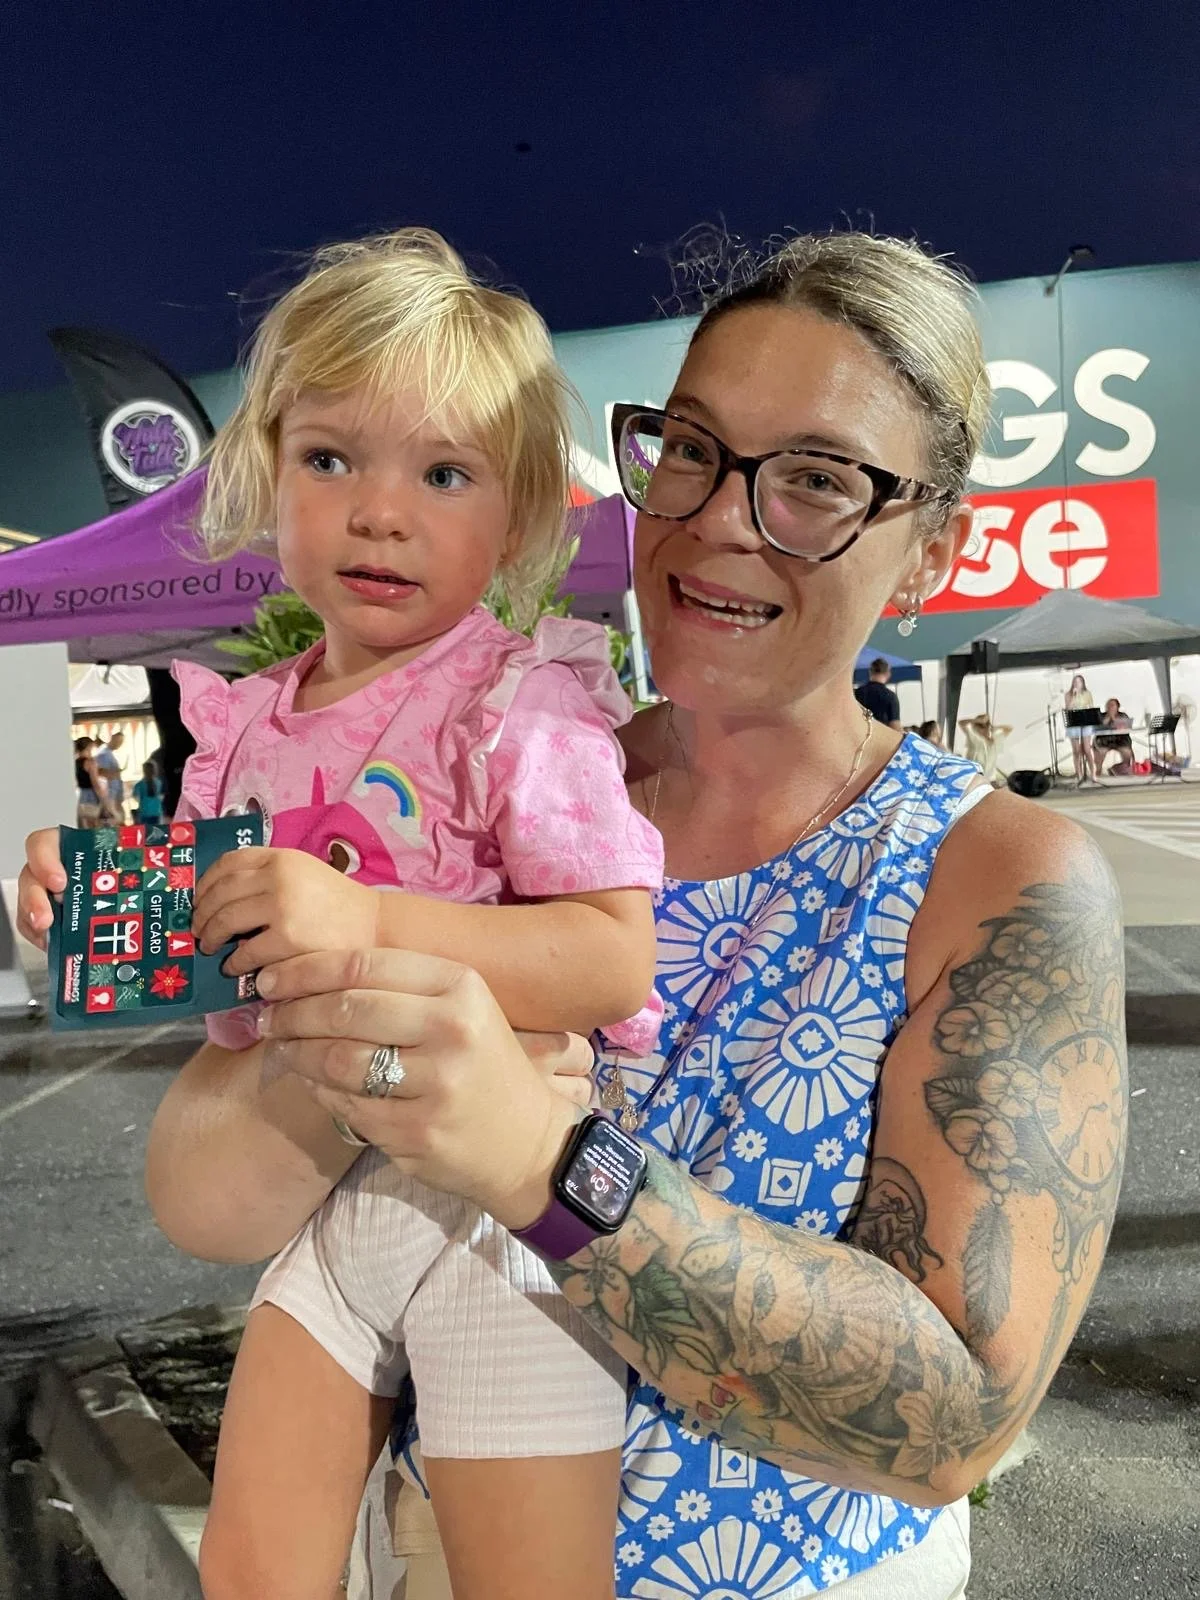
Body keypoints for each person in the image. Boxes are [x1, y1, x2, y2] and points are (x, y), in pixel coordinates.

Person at [22, 231, 1128, 1600]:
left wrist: (544, 1160)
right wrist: (159, 931)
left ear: (930, 554)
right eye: (693, 449)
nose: (724, 515)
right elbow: (209, 1191)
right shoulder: (472, 783)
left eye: (818, 482)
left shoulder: (1000, 875)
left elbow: (959, 1415)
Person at [23, 229, 664, 1600]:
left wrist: (363, 915)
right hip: (323, 1206)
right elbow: (217, 981)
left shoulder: (518, 703)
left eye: (444, 473)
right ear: (262, 473)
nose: (382, 512)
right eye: (331, 460)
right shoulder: (246, 726)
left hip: (507, 1220)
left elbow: (611, 955)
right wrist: (87, 918)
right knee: (254, 1570)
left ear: (522, 513)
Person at [958, 712, 1012, 785]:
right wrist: (976, 721)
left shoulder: (996, 738)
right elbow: (961, 723)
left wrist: (994, 728)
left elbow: (1009, 728)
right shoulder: (973, 737)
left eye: (986, 726)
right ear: (975, 728)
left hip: (989, 780)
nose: (984, 729)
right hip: (973, 778)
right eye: (981, 727)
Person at [1064, 673, 1097, 784]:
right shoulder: (1068, 694)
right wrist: (1074, 696)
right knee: (1076, 751)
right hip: (1073, 724)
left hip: (1085, 722)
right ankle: (1079, 774)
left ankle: (1093, 773)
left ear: (1083, 683)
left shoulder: (1087, 694)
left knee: (1087, 749)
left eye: (1079, 682)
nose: (1076, 684)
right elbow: (1068, 708)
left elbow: (1091, 707)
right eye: (1075, 682)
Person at [854, 654, 903, 728]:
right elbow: (895, 726)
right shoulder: (890, 696)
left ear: (870, 672)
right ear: (888, 674)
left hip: (859, 736)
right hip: (882, 736)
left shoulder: (856, 693)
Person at [1094, 698, 1135, 776]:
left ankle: (1119, 769)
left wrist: (1114, 719)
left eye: (1112, 705)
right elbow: (1099, 727)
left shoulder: (1123, 715)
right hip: (1104, 741)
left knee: (1127, 753)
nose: (1110, 707)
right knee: (1100, 753)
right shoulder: (1101, 716)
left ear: (1117, 707)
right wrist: (1108, 717)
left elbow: (1126, 727)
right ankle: (1098, 771)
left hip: (1120, 741)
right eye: (1108, 705)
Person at [93, 730, 126, 821]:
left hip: (114, 791)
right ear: (112, 739)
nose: (119, 744)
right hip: (109, 791)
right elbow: (101, 772)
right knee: (113, 817)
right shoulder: (104, 754)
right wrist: (116, 772)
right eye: (118, 741)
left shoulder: (110, 753)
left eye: (121, 742)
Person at [73, 735, 104, 828]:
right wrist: (103, 799)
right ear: (89, 746)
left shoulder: (75, 762)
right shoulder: (91, 762)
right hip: (92, 795)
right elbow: (95, 782)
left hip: (81, 795)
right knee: (95, 826)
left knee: (85, 825)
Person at [131, 760, 164, 825]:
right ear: (155, 770)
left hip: (144, 812)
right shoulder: (159, 783)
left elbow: (135, 798)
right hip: (156, 811)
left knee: (146, 832)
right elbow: (162, 797)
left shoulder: (139, 785)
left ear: (144, 771)